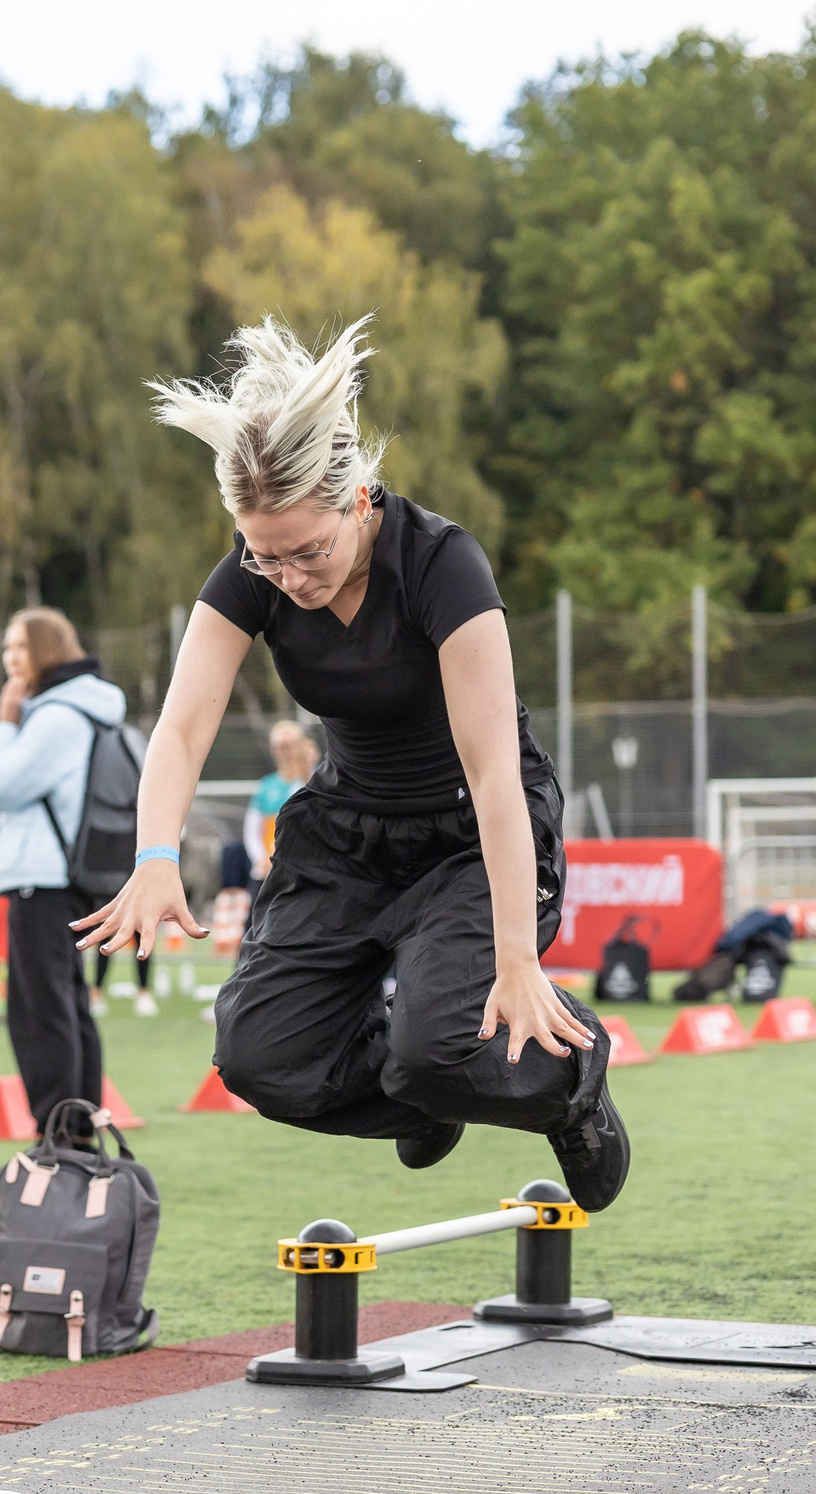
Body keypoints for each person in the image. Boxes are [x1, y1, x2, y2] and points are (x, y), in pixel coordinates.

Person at [76, 317, 624, 1201]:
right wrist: (153, 856)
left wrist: (519, 960)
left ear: (358, 500)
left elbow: (493, 777)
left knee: (439, 1042)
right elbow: (180, 729)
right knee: (259, 1056)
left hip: (468, 834)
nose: (287, 575)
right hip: (347, 833)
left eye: (307, 551)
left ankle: (572, 1088)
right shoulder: (250, 576)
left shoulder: (444, 567)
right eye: (265, 555)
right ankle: (419, 1100)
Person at [0, 606, 127, 1135]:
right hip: (73, 876)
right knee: (69, 1006)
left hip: (43, 877)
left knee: (42, 1012)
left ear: (45, 650)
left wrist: (2, 723)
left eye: (18, 647)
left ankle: (59, 1134)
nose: (9, 659)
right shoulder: (92, 708)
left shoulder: (57, 716)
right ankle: (78, 1131)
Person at [222, 720, 316, 898]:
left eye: (289, 745)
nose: (285, 752)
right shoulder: (266, 786)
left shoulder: (312, 783)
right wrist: (261, 858)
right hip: (268, 867)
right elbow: (252, 830)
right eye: (280, 746)